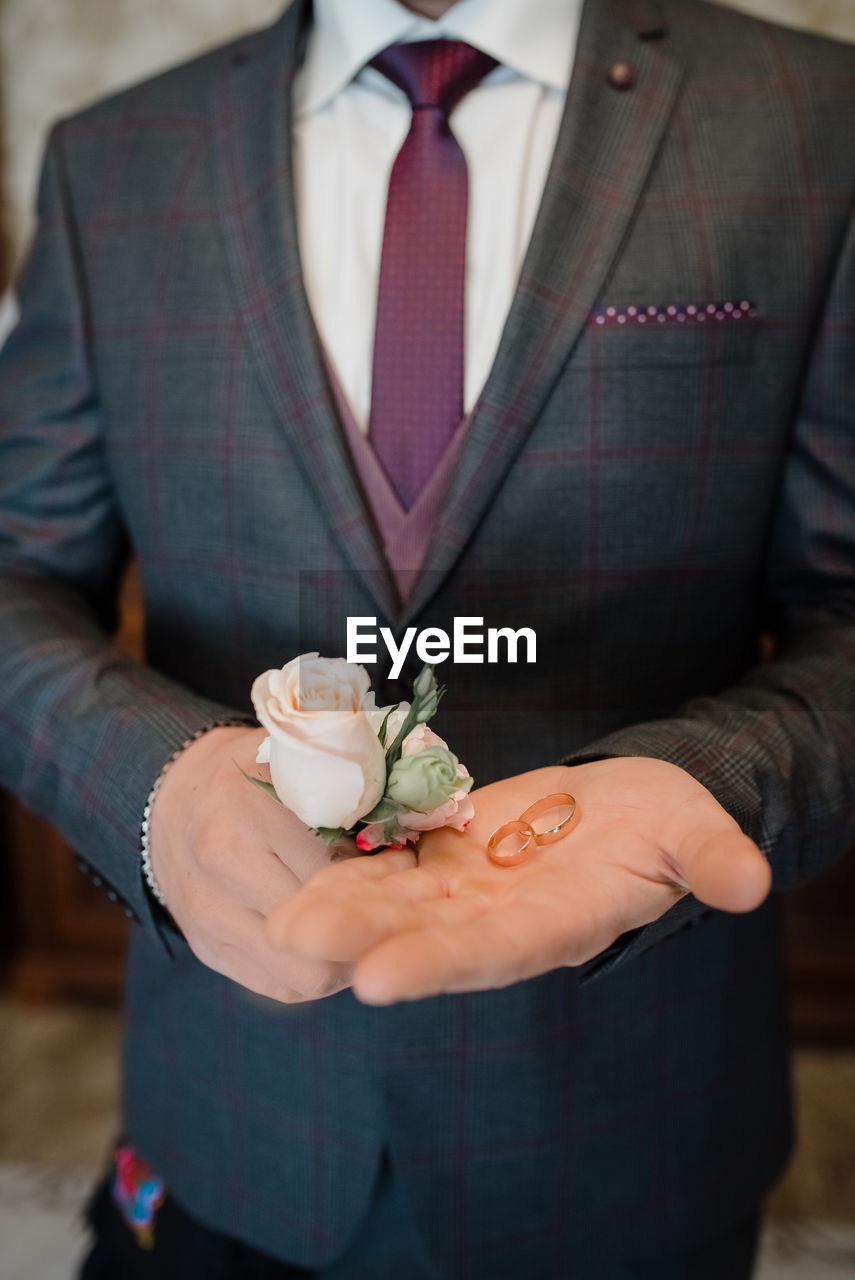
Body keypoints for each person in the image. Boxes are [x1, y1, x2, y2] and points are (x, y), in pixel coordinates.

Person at [0, 0, 853, 1275]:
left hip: (631, 1117)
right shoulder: (111, 157)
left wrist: (709, 776)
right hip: (234, 1103)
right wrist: (149, 787)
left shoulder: (814, 120)